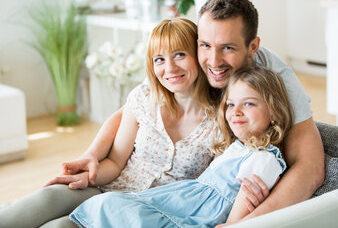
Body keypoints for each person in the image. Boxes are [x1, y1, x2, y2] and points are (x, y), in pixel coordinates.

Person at [61, 0, 325, 218]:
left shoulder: (278, 80)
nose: (213, 60)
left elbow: (310, 168)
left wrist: (244, 223)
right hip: (126, 188)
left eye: (228, 48)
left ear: (253, 46)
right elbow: (132, 109)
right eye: (205, 45)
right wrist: (92, 155)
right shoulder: (183, 61)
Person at [0, 18, 227, 228]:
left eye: (179, 55)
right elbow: (116, 163)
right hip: (109, 188)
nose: (169, 68)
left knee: (58, 226)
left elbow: (211, 189)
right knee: (47, 197)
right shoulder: (143, 98)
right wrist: (88, 177)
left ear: (199, 55)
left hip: (148, 213)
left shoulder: (222, 120)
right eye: (159, 59)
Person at [69, 66, 294, 228]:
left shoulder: (265, 158)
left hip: (198, 214)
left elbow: (247, 196)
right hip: (182, 200)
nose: (235, 112)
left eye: (249, 104)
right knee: (111, 204)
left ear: (273, 112)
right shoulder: (237, 147)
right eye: (231, 104)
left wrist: (232, 225)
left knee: (128, 213)